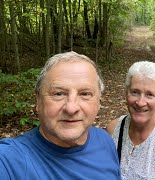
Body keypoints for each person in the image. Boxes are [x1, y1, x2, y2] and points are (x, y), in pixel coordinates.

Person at [0, 51, 121, 179]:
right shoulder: (9, 161)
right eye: (58, 94)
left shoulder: (105, 141)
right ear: (38, 100)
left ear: (98, 102)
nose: (71, 108)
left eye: (85, 94)